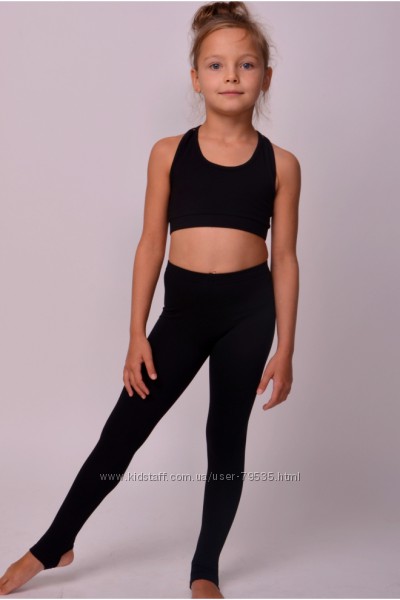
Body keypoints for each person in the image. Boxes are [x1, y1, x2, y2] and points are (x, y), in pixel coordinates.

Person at [0, 1, 301, 597]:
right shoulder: (169, 152)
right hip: (182, 312)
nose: (231, 75)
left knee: (226, 437)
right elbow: (149, 244)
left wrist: (286, 348)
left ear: (266, 77)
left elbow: (286, 258)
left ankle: (205, 569)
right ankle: (54, 543)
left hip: (249, 311)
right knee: (123, 431)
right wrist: (137, 331)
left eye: (246, 64)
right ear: (196, 78)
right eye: (216, 65)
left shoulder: (282, 164)